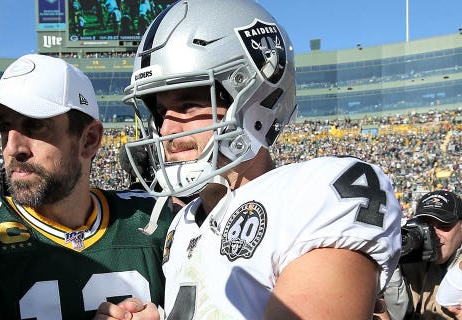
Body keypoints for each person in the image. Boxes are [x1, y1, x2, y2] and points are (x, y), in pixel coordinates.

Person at [95, 0, 402, 318]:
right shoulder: (184, 223)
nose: (167, 130)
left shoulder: (315, 196)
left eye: (187, 105)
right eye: (160, 114)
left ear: (255, 99)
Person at [0, 54, 173, 319]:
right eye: (5, 129)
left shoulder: (158, 218)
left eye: (35, 126)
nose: (12, 148)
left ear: (89, 140)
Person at [381, 189, 462, 319]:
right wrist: (392, 266)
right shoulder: (409, 260)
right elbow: (396, 315)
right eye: (426, 226)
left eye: (443, 225)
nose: (434, 234)